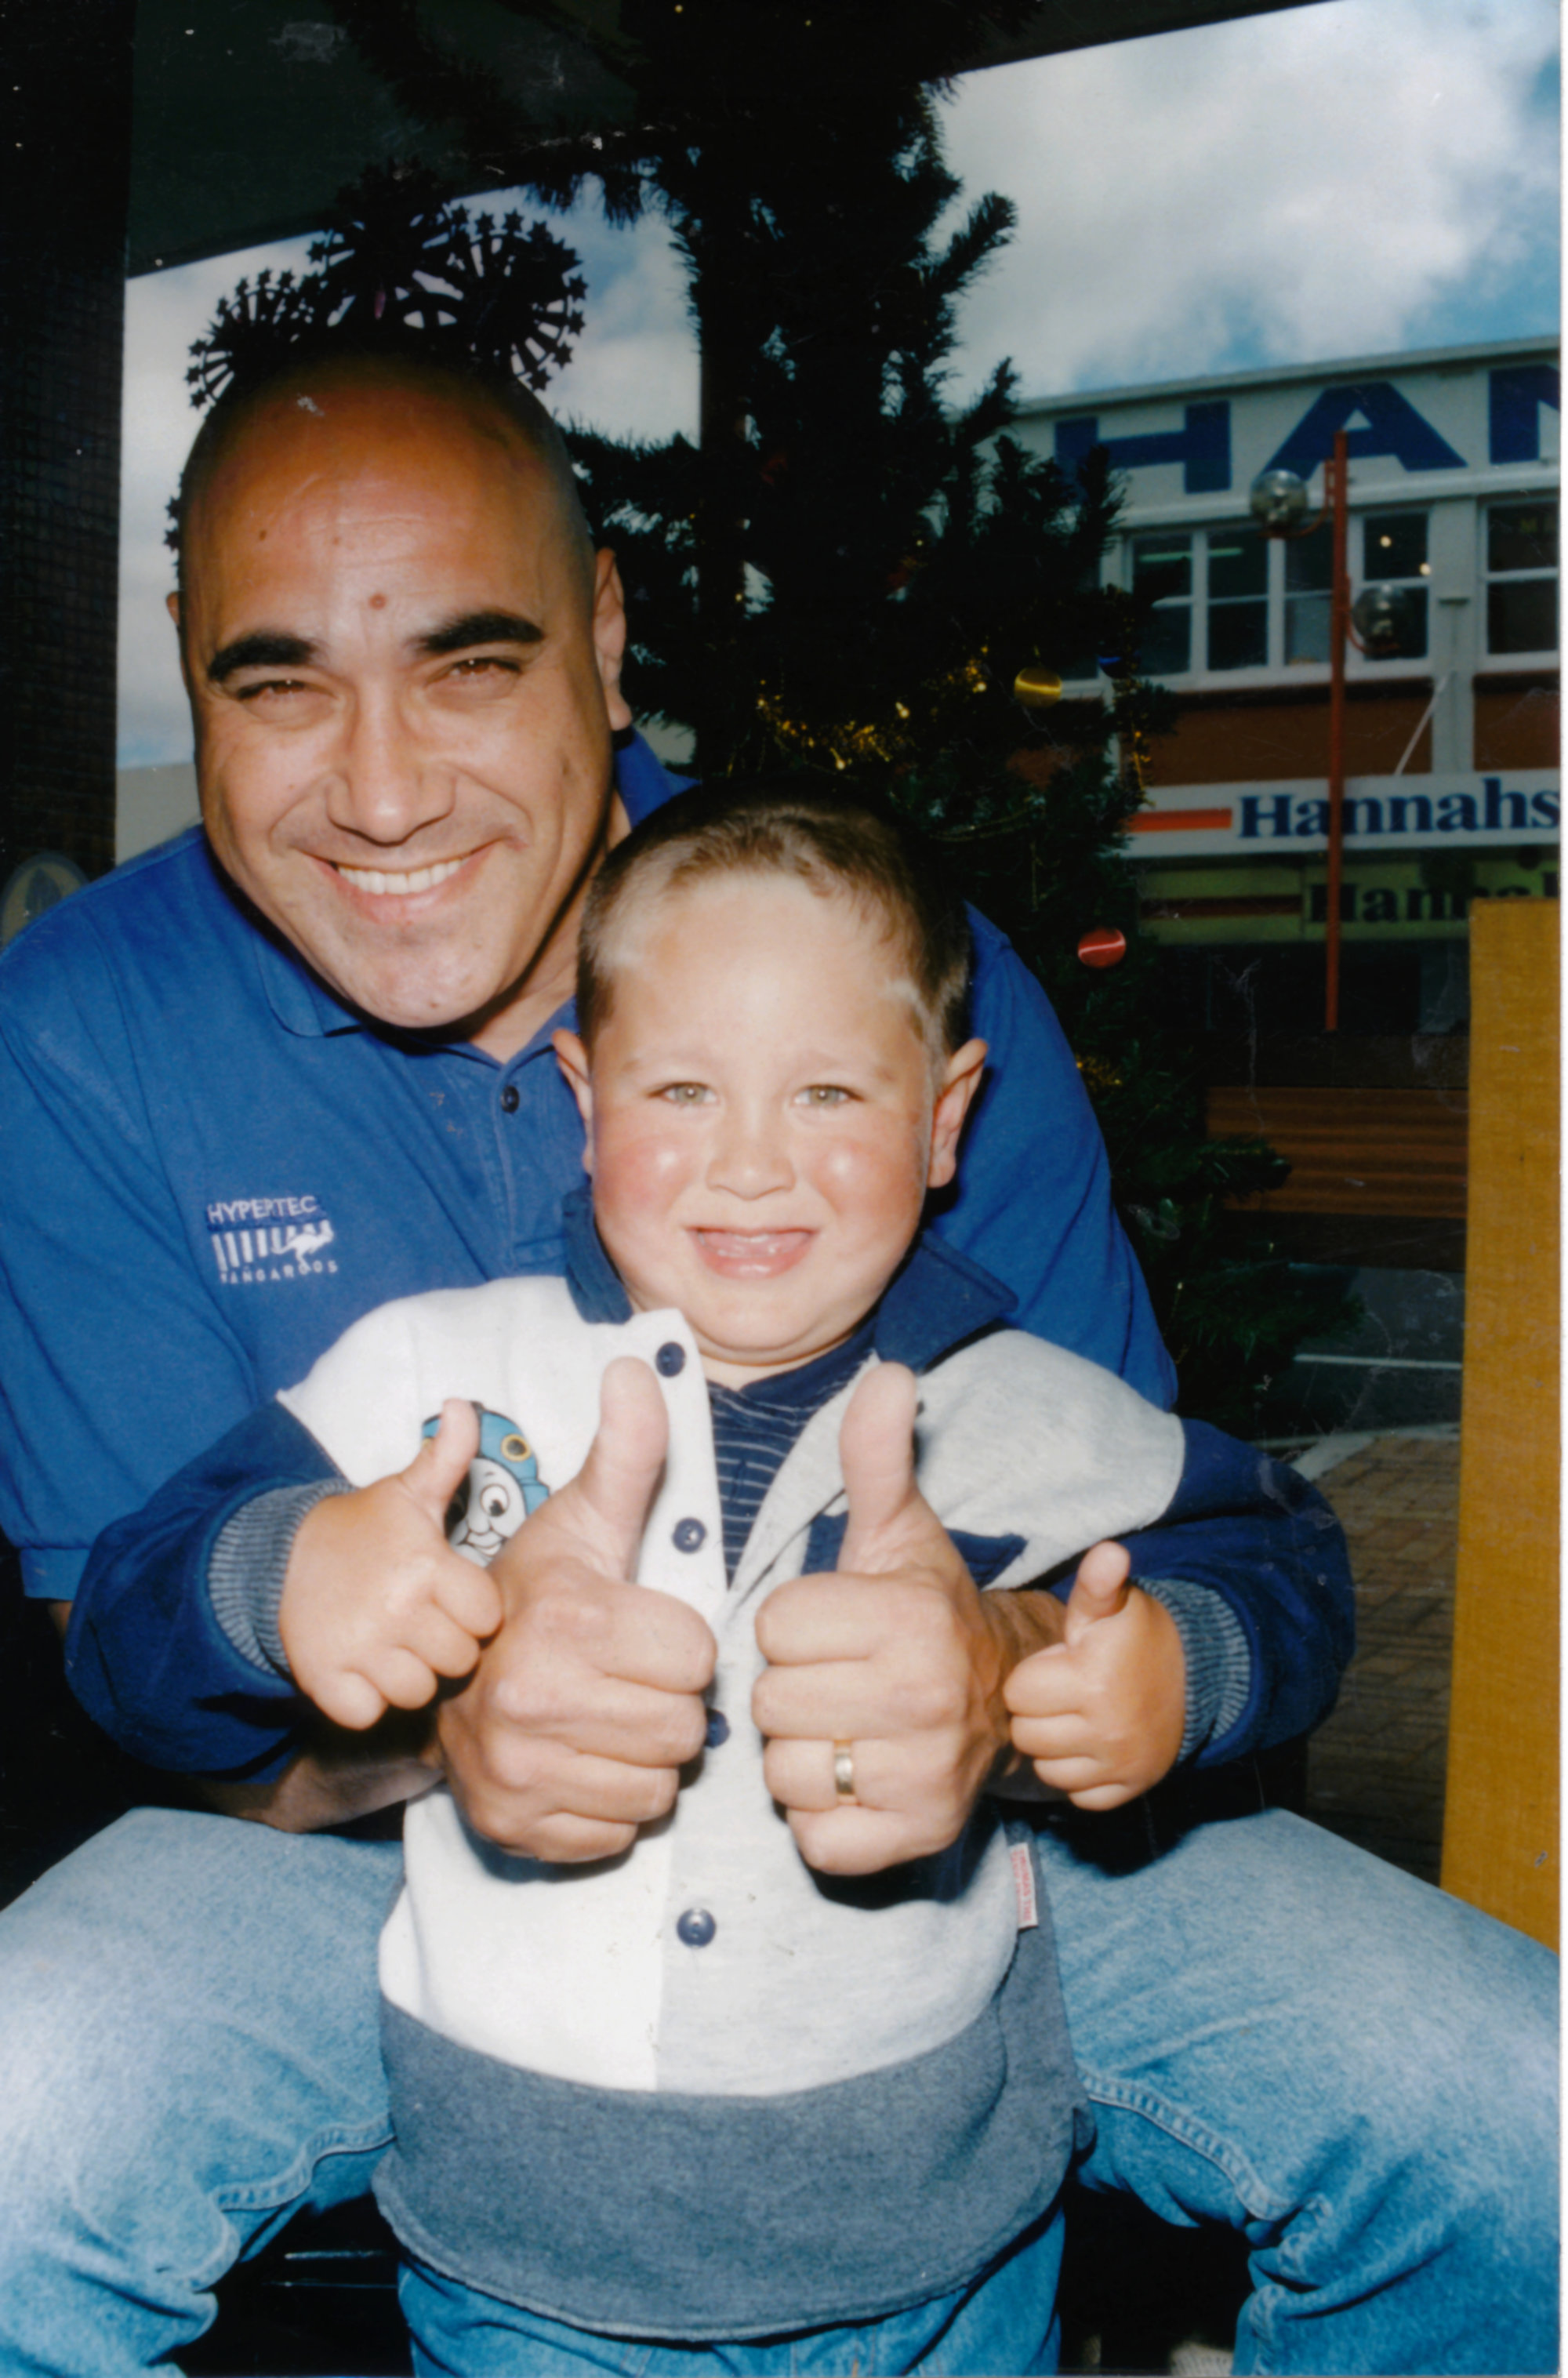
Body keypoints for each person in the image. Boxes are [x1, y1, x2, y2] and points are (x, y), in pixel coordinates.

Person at [0, 347, 1554, 2378]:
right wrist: (456, 1723)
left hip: (953, 1843)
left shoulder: (889, 950)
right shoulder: (79, 1026)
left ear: (607, 639)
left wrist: (994, 1683)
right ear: (189, 675)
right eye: (275, 682)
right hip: (353, 1850)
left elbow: (1181, 1555)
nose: (379, 791)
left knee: (1522, 2121)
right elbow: (136, 1655)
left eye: (470, 666)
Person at [74, 782, 1360, 2375]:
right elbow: (125, 1636)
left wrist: (1175, 1661)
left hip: (947, 2255)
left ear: (945, 1114)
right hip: (531, 2264)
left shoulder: (1026, 1403)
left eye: (828, 1089)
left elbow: (1285, 1547)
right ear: (586, 1093)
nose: (753, 1166)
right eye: (682, 1085)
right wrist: (277, 1570)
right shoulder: (425, 1377)